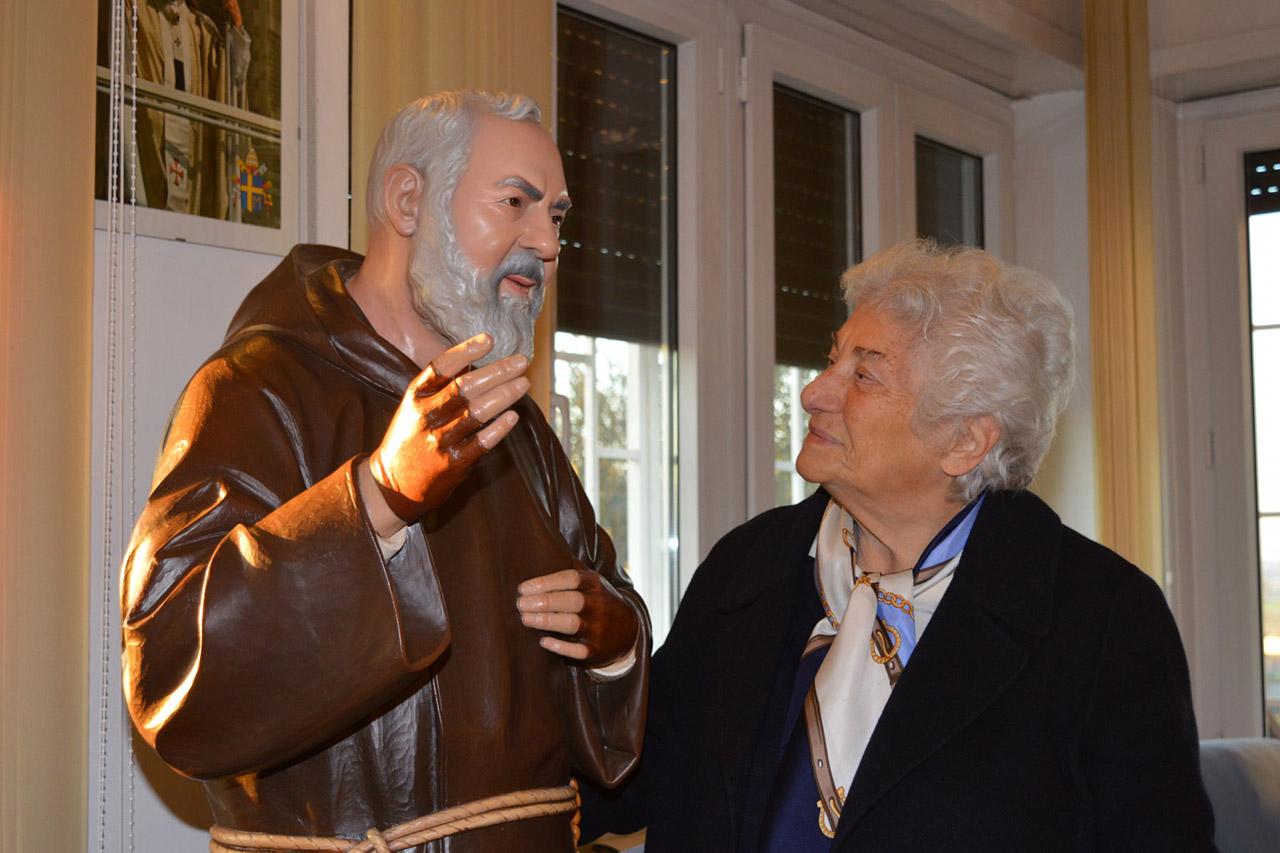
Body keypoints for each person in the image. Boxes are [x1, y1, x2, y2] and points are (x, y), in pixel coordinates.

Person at [121, 91, 649, 851]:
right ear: (408, 200)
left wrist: (614, 639)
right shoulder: (257, 389)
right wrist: (378, 499)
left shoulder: (519, 427)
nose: (547, 241)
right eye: (515, 203)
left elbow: (603, 599)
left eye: (557, 216)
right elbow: (174, 668)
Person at [581, 240, 1214, 850]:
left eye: (864, 374)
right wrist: (605, 664)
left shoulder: (1102, 621)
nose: (813, 392)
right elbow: (622, 785)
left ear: (964, 440)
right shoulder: (748, 567)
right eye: (834, 359)